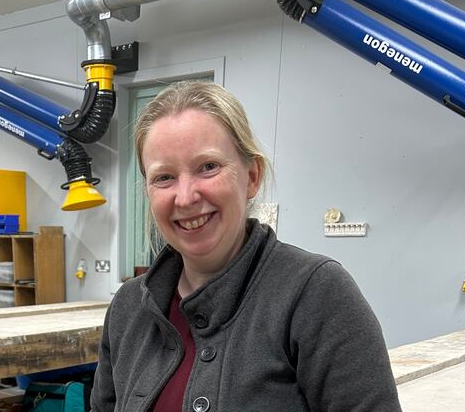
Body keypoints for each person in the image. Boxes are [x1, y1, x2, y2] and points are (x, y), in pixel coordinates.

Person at [90, 81, 401, 411]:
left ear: (252, 176)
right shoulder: (129, 307)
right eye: (164, 177)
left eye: (208, 167)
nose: (185, 197)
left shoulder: (316, 294)